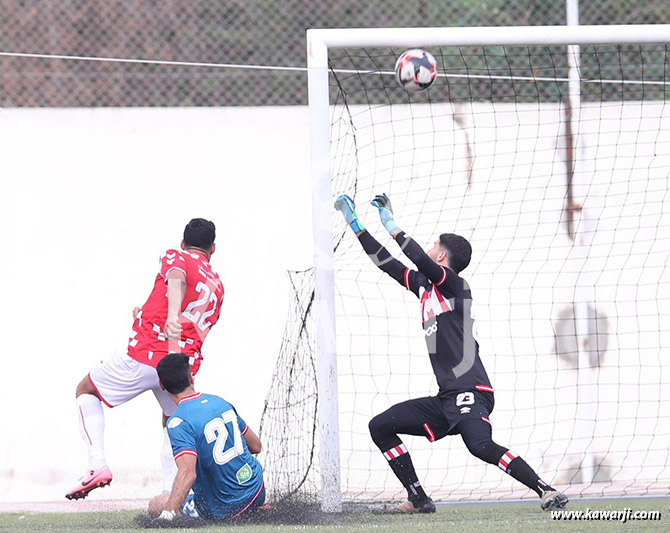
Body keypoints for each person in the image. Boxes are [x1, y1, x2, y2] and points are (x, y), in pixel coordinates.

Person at [335, 193, 568, 513]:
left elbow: (420, 260)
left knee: (479, 446)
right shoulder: (423, 287)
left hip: (471, 389)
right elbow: (386, 263)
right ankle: (418, 498)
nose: (429, 249)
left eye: (433, 245)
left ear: (441, 255)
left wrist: (392, 225)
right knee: (380, 426)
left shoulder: (455, 286)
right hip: (447, 396)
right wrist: (356, 226)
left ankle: (545, 490)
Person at [66, 218, 224, 500]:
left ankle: (97, 464)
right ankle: (171, 493)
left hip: (145, 354)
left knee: (85, 390)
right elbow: (198, 327)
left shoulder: (177, 256)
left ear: (183, 243)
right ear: (213, 248)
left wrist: (171, 316)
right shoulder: (217, 285)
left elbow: (176, 278)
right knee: (174, 421)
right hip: (179, 364)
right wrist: (148, 313)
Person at [148, 353, 265, 523]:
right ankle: (252, 505)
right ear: (191, 378)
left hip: (224, 508)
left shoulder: (178, 422)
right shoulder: (220, 402)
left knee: (156, 504)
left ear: (162, 386)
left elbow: (188, 473)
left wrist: (168, 514)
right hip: (257, 489)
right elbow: (256, 446)